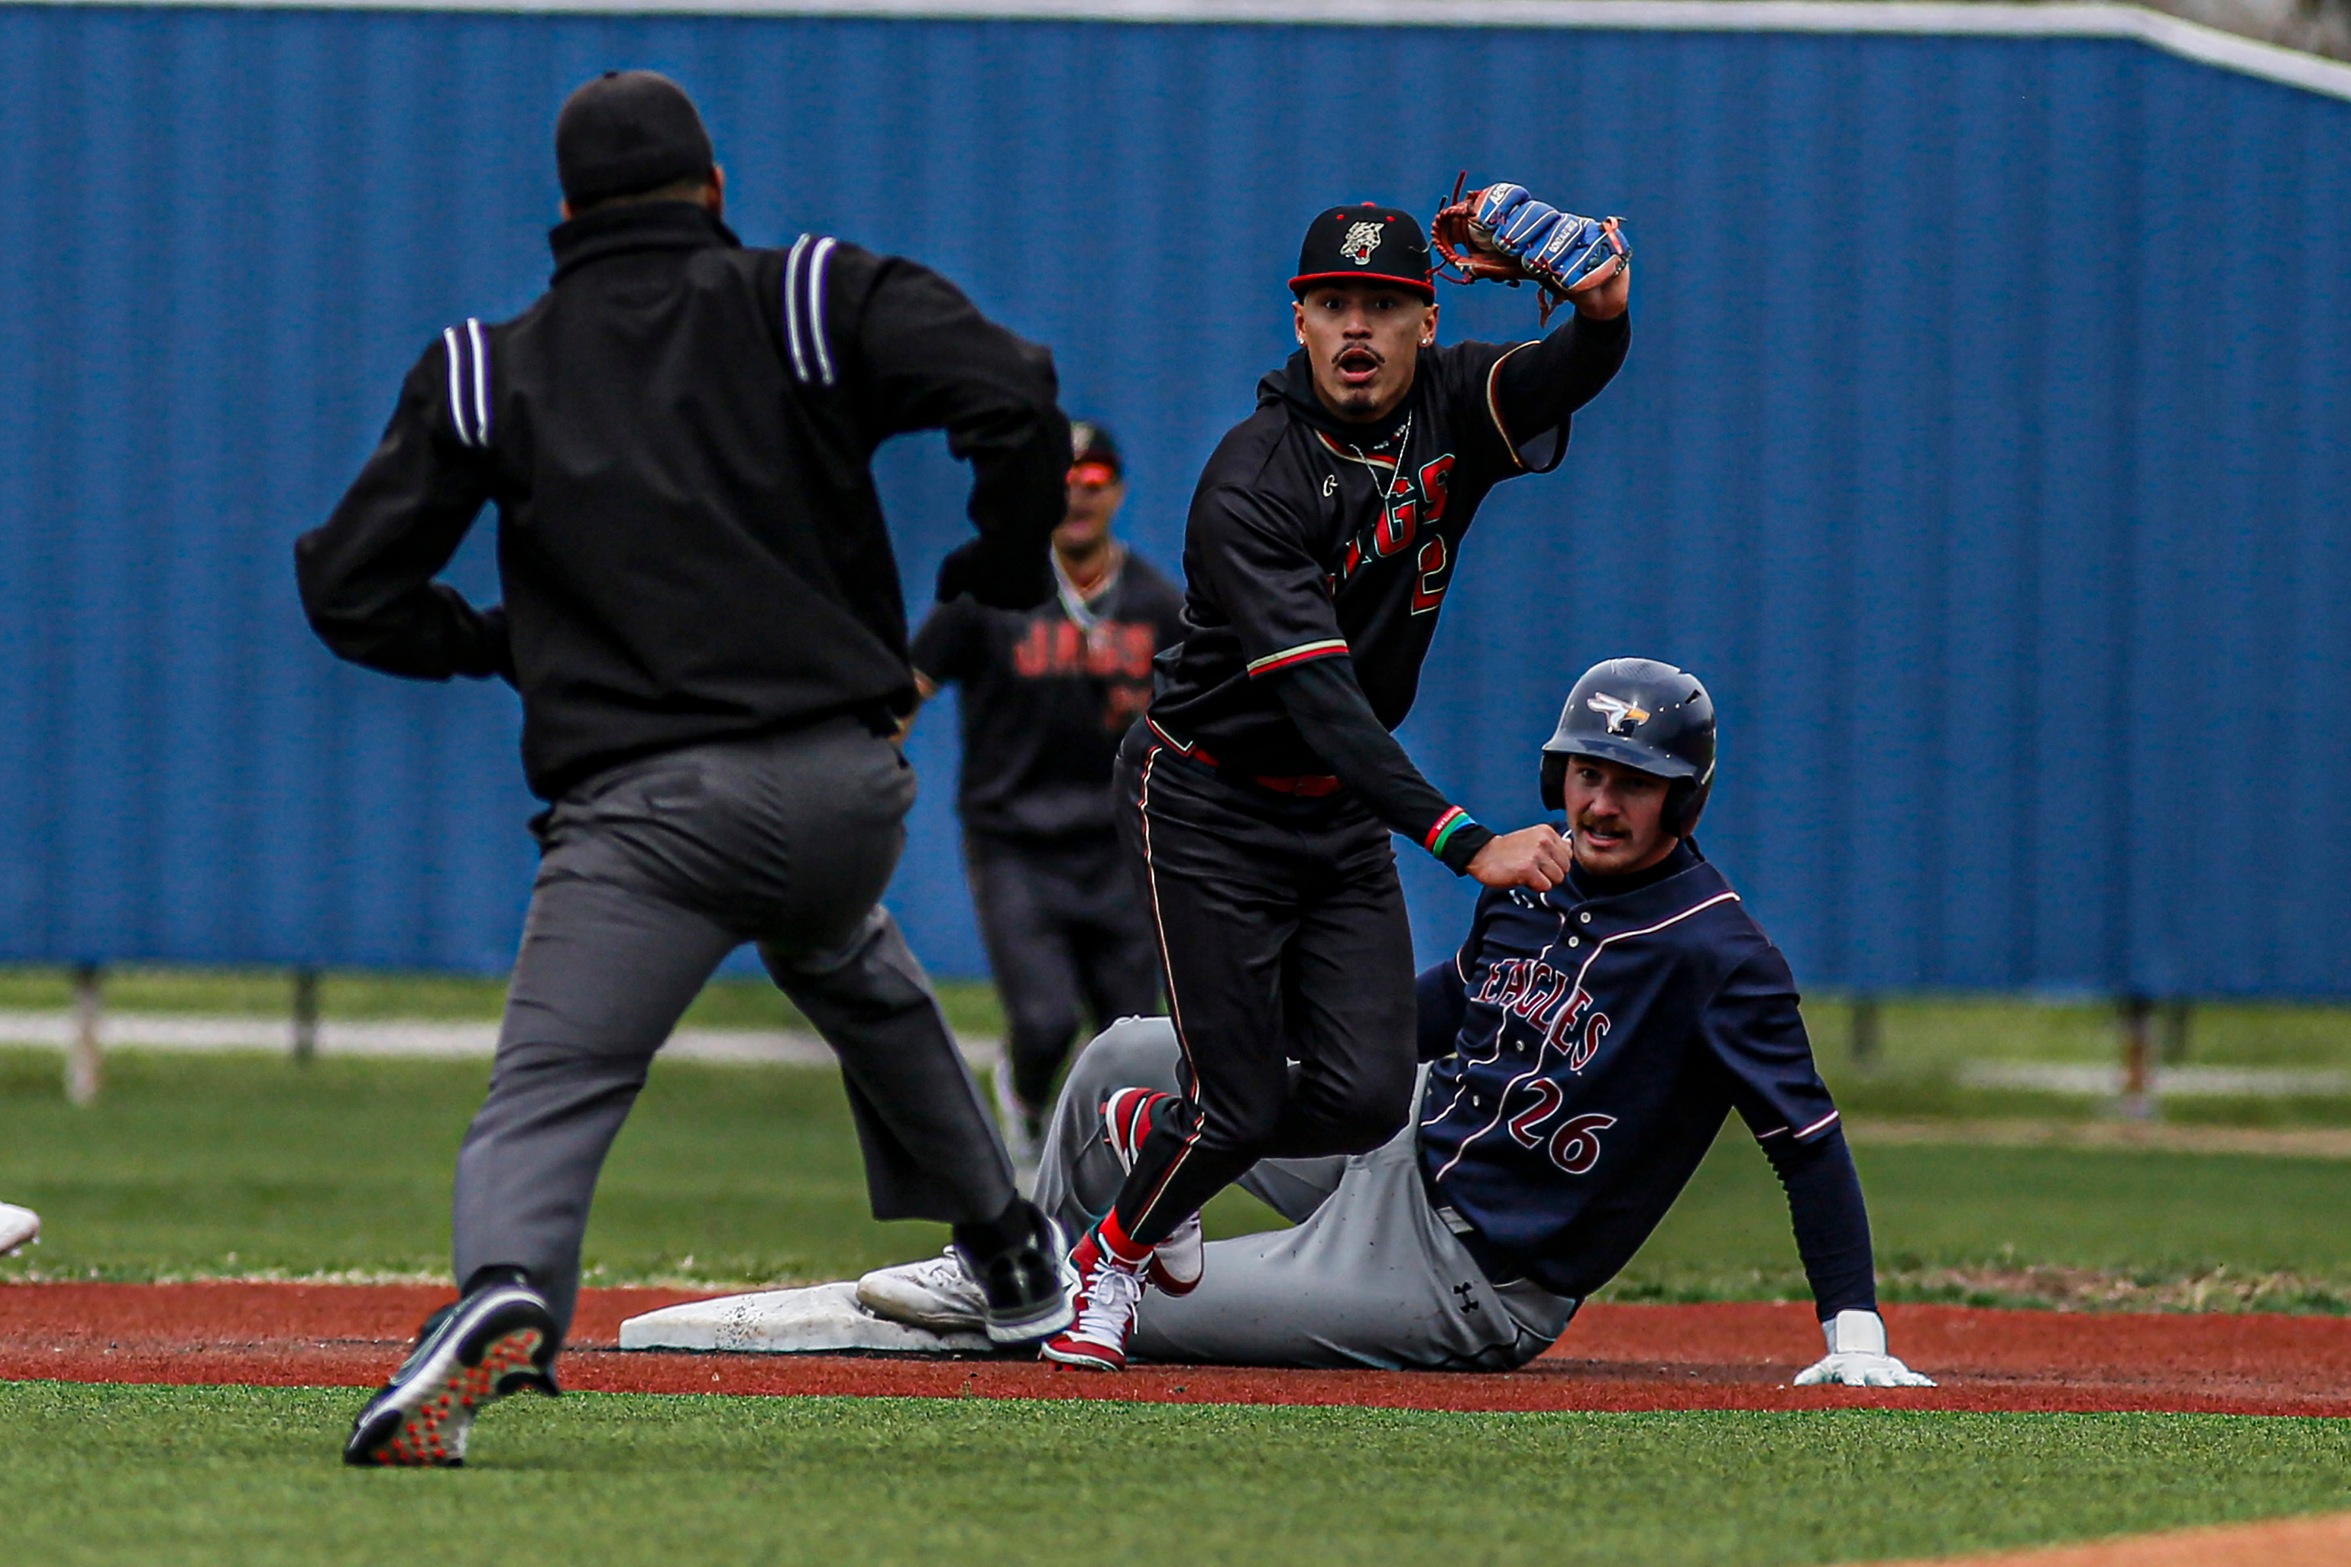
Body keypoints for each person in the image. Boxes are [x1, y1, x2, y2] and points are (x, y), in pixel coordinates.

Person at [297, 70, 1079, 1466]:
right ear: (713, 191)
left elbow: (348, 587)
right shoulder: (805, 294)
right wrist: (1003, 560)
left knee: (556, 1079)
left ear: (564, 213)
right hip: (846, 789)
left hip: (645, 816)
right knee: (848, 959)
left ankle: (507, 1285)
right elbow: (1013, 389)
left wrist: (499, 642)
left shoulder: (490, 365)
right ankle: (1013, 1249)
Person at [860, 660, 1934, 1386]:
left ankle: (1071, 1284)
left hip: (1465, 1281)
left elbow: (1807, 1147)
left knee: (1136, 1313)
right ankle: (1020, 1267)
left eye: (1633, 785)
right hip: (1397, 1143)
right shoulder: (1532, 876)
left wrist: (1853, 1333)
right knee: (1121, 1057)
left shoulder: (1719, 955)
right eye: (1586, 773)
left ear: (1682, 799)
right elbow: (1436, 1012)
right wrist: (1260, 1039)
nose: (1599, 803)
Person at [1040, 190, 1632, 1369]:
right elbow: (1321, 705)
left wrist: (1604, 309)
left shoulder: (1455, 403)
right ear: (1298, 322)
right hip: (1206, 799)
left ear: (1423, 322)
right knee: (1242, 1103)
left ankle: (1148, 1134)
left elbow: (1573, 367)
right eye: (1331, 305)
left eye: (1382, 304)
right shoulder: (1249, 479)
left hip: (1334, 813)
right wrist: (1466, 840)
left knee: (1367, 1098)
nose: (1354, 327)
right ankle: (1107, 1258)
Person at [906, 421, 1186, 1170]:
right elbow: (910, 687)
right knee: (1041, 1020)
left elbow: (1205, 715)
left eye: (1091, 481)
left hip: (1122, 846)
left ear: (1116, 491)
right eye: (1060, 483)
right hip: (1015, 841)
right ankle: (1026, 1101)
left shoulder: (1156, 604)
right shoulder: (989, 588)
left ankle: (1102, 1192)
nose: (1076, 496)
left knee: (1129, 1036)